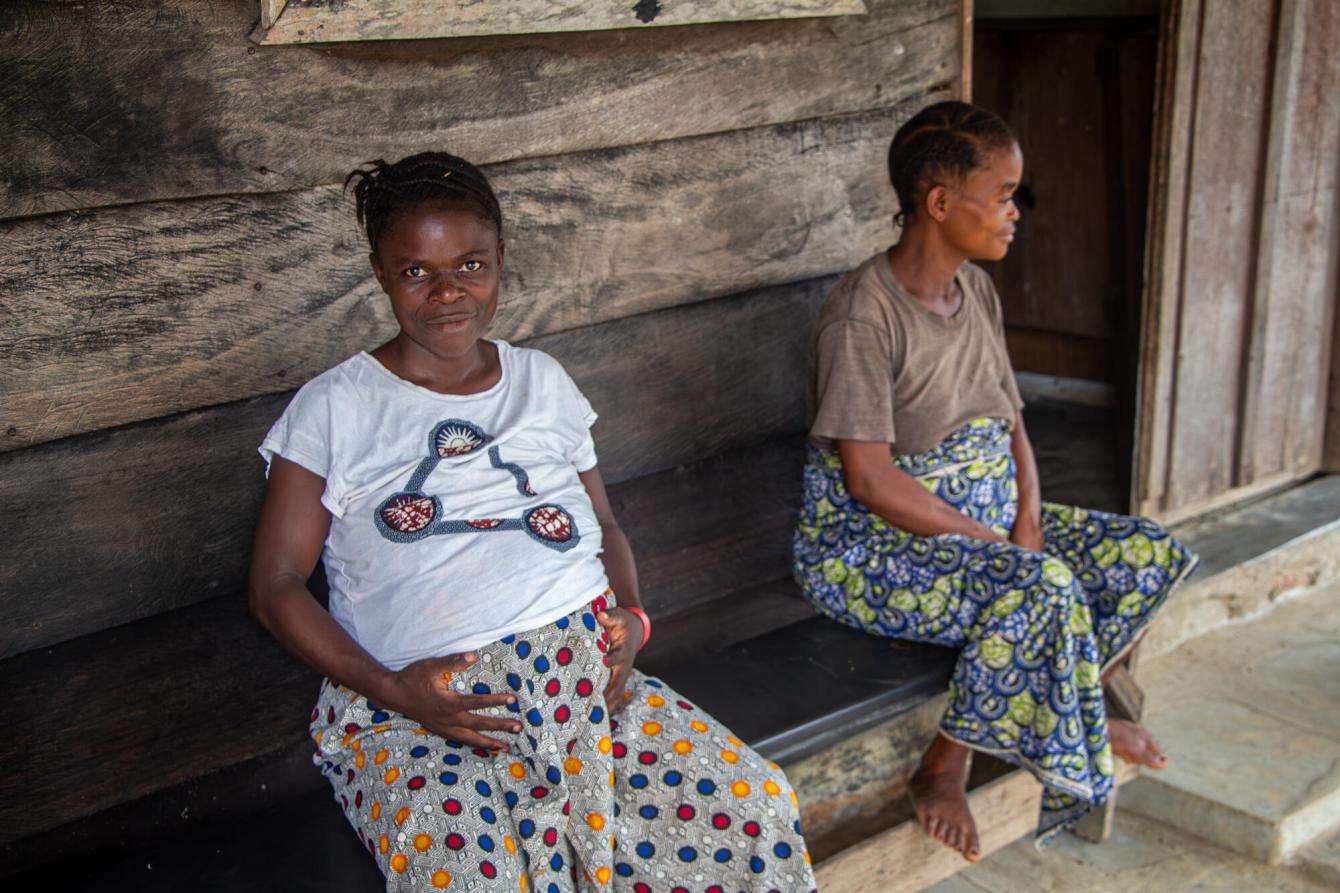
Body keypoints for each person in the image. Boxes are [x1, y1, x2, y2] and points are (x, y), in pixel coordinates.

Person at [249, 152, 816, 892]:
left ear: (501, 260)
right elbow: (276, 583)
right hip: (429, 709)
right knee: (473, 877)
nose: (448, 291)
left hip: (586, 686)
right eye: (416, 270)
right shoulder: (336, 407)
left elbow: (605, 525)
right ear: (381, 272)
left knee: (754, 807)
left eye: (471, 263)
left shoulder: (542, 382)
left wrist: (634, 619)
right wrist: (392, 688)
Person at [791, 102, 1199, 858]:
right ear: (940, 203)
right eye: (1004, 193)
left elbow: (1012, 419)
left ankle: (1069, 703)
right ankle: (945, 766)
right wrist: (1002, 544)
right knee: (1038, 586)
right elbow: (872, 480)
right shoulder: (863, 316)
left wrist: (1030, 517)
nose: (1016, 212)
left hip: (984, 519)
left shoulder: (975, 290)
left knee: (1145, 552)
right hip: (870, 549)